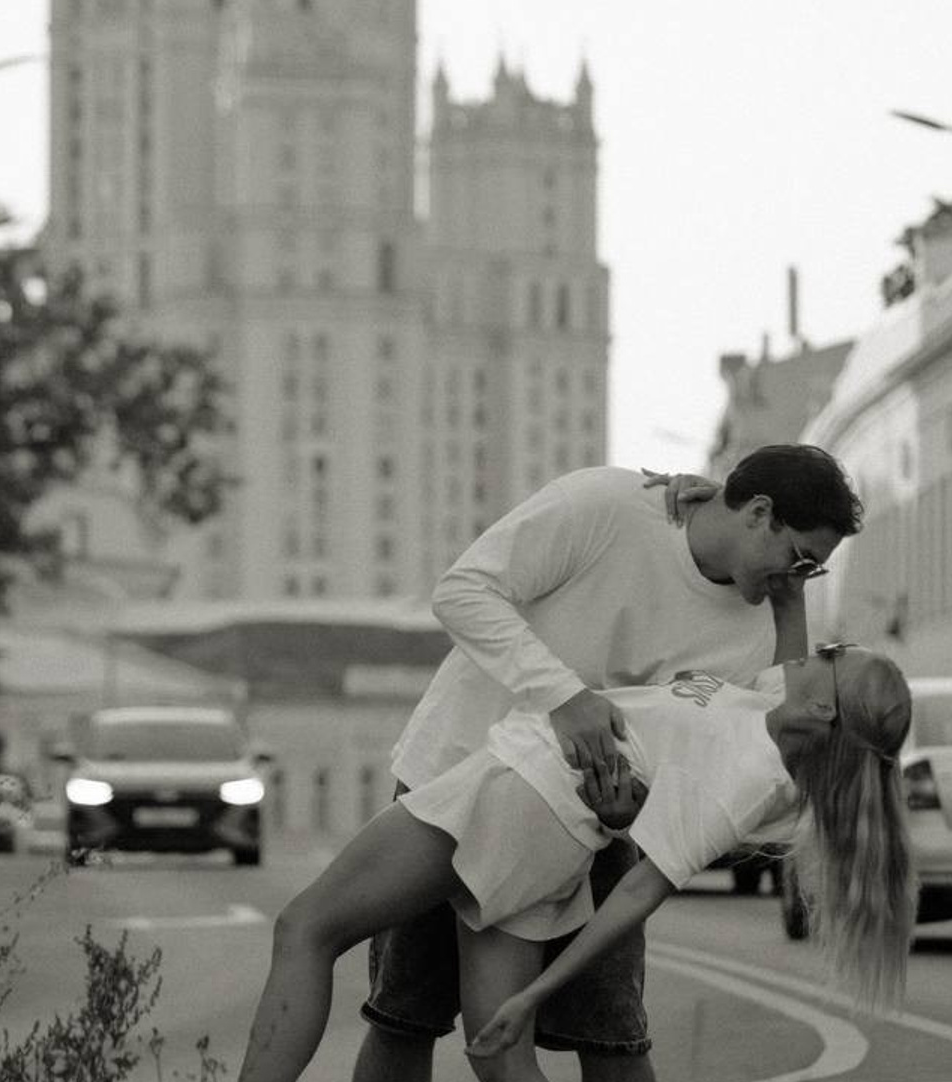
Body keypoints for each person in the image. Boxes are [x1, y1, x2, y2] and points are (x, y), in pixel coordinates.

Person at [345, 444, 862, 1082]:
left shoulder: (758, 633)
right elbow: (462, 593)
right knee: (404, 1021)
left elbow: (740, 753)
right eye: (801, 560)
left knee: (614, 1044)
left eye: (813, 573)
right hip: (449, 784)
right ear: (759, 512)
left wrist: (637, 809)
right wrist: (565, 696)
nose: (796, 579)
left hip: (593, 832)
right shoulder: (610, 504)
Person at [237, 644, 916, 1082]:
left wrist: (536, 993)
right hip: (544, 827)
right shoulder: (772, 708)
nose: (819, 647)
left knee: (304, 928)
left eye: (833, 653)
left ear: (824, 705)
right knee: (500, 1056)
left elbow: (640, 890)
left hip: (523, 795)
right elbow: (791, 651)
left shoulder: (747, 779)